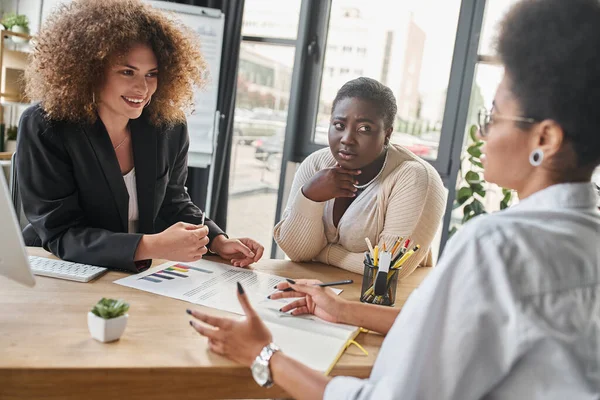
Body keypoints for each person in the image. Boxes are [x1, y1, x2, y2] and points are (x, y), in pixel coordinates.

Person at [187, 0, 600, 398]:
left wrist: (265, 355)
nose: (481, 134)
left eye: (492, 117)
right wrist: (344, 309)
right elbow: (455, 328)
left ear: (544, 139)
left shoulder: (497, 247)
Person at [17, 0, 264, 272]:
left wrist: (216, 240)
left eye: (152, 74)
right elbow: (60, 232)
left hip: (133, 272)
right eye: (127, 71)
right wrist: (150, 246)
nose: (142, 88)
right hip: (58, 268)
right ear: (90, 70)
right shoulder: (45, 125)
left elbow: (173, 201)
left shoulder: (168, 126)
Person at [273, 77, 446, 277]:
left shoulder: (414, 177)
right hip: (317, 290)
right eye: (339, 125)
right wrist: (310, 196)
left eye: (364, 129)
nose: (347, 139)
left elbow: (388, 269)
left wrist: (325, 253)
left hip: (384, 303)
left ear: (387, 134)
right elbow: (297, 252)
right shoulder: (315, 164)